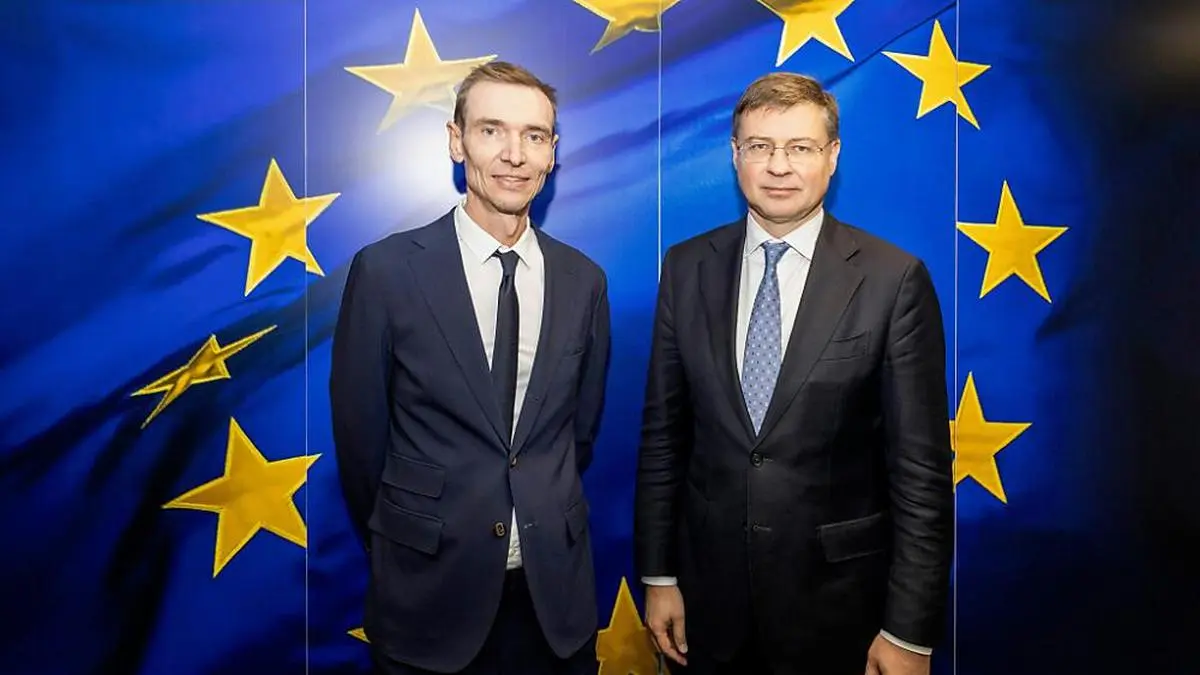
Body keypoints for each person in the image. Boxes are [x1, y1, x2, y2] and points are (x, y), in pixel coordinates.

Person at [633, 72, 954, 675]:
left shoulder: (893, 280)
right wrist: (659, 575)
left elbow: (921, 477)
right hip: (709, 607)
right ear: (736, 155)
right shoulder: (685, 267)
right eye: (760, 146)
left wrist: (909, 632)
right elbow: (663, 440)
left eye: (800, 147)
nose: (778, 166)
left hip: (841, 612)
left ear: (832, 156)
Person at [330, 61, 610, 675]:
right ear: (456, 141)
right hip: (428, 598)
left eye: (534, 136)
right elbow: (361, 443)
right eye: (491, 131)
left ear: (553, 152)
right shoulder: (386, 272)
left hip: (554, 607)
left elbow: (578, 433)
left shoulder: (584, 280)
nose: (514, 154)